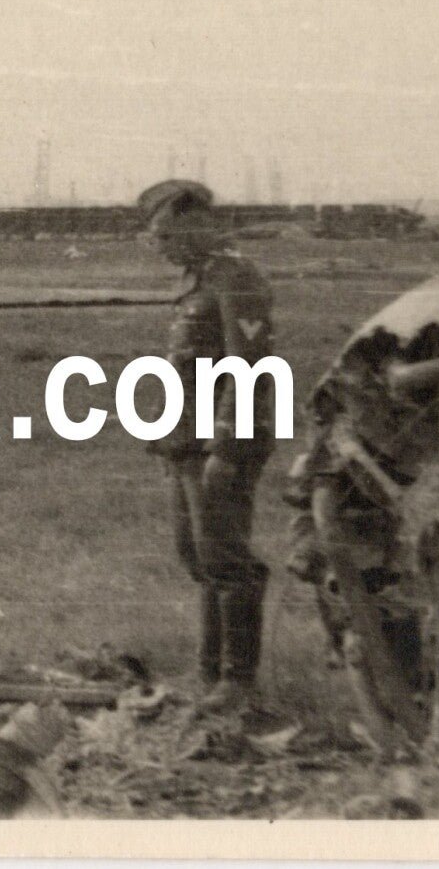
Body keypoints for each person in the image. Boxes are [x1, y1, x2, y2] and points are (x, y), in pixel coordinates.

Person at [136, 179, 275, 712]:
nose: (162, 247)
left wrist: (227, 448)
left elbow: (248, 369)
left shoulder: (237, 278)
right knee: (198, 557)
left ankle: (239, 682)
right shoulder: (203, 280)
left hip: (221, 443)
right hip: (187, 442)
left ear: (196, 225)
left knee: (226, 559)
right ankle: (209, 673)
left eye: (168, 235)